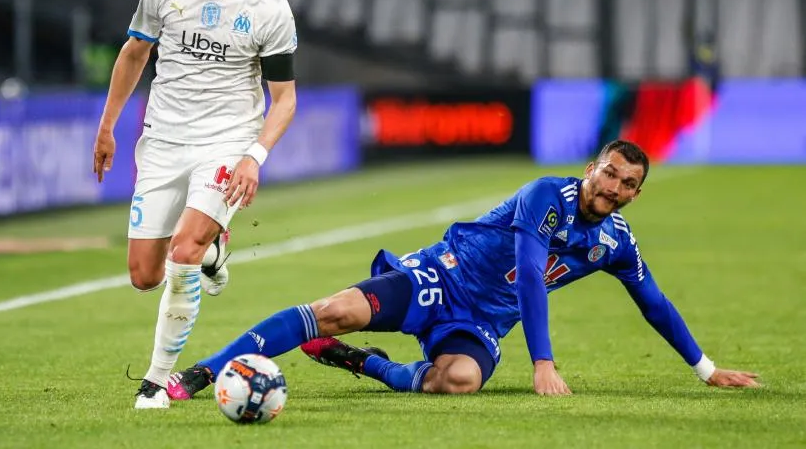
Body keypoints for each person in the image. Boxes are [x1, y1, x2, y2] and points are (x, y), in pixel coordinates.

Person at [165, 140, 759, 398]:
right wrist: (543, 363)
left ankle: (365, 364)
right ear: (591, 169)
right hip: (440, 277)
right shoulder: (545, 196)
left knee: (459, 382)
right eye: (609, 173)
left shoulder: (616, 242)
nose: (614, 187)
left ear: (635, 194)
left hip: (481, 323)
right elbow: (530, 273)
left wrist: (706, 369)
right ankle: (201, 373)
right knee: (335, 310)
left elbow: (654, 302)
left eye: (627, 184)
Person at [92, 0, 298, 409]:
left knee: (181, 253)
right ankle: (213, 249)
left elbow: (284, 99)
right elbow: (134, 53)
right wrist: (108, 126)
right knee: (145, 275)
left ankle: (157, 381)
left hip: (227, 142)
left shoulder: (270, 6)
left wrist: (254, 156)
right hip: (163, 140)